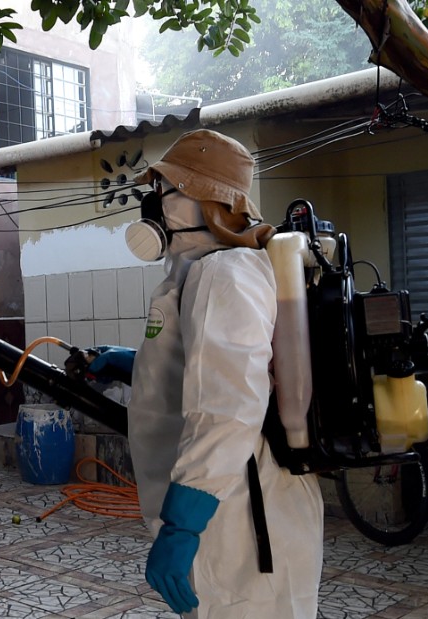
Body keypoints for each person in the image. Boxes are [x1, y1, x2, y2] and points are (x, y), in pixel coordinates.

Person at [89, 129, 324, 618]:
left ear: (210, 204)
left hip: (241, 516)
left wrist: (183, 526)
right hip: (232, 503)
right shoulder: (206, 271)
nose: (154, 205)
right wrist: (139, 367)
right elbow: (212, 371)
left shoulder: (225, 272)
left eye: (167, 191)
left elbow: (228, 407)